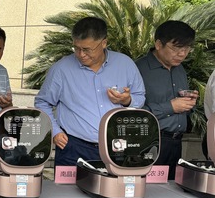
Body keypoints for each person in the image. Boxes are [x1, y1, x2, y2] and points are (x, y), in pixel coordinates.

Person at [35, 17, 146, 167]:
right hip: (73, 147)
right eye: (77, 48)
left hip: (117, 147)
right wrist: (55, 131)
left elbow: (140, 97)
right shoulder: (61, 69)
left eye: (87, 49)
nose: (81, 54)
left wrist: (127, 100)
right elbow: (42, 102)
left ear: (104, 43)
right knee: (70, 184)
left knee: (113, 183)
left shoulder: (125, 64)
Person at [135, 20, 196, 179]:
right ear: (158, 44)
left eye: (187, 48)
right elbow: (131, 113)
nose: (182, 54)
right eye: (176, 48)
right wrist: (171, 107)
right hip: (149, 143)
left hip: (176, 143)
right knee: (147, 189)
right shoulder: (138, 70)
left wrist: (189, 103)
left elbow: (181, 108)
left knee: (172, 191)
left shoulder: (179, 69)